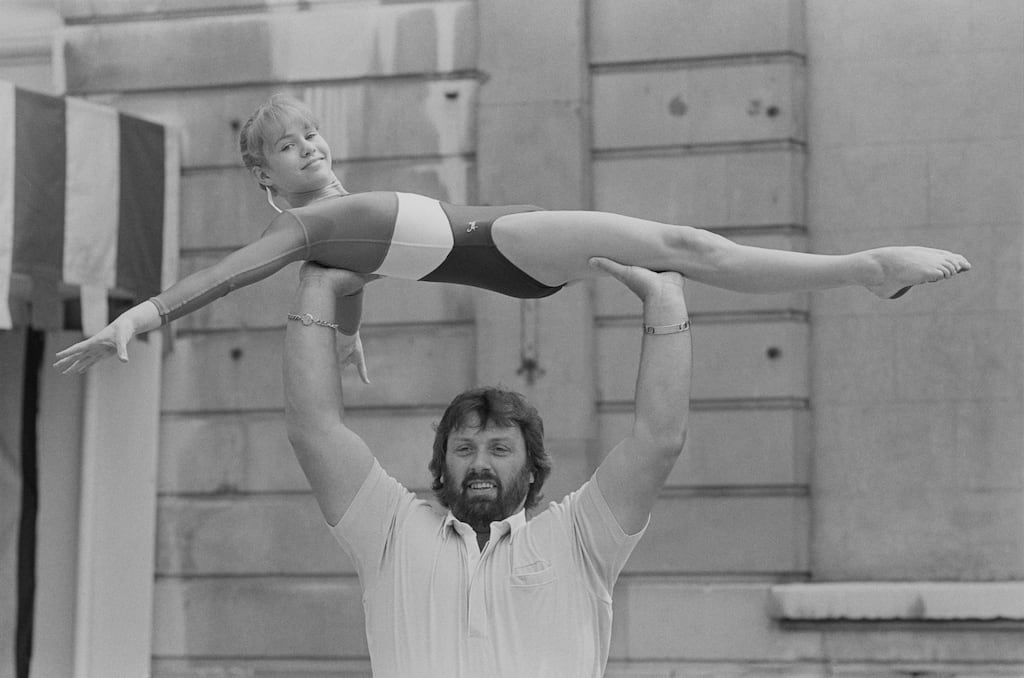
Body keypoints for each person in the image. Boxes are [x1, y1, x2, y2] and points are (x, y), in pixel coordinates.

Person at [53, 93, 970, 374]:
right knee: (688, 244)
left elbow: (356, 272)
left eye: (310, 132)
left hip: (512, 261)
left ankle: (862, 272)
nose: (311, 146)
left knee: (681, 261)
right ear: (267, 178)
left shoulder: (332, 230)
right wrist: (142, 318)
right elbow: (229, 274)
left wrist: (350, 336)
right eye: (289, 148)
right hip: (506, 244)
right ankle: (867, 266)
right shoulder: (309, 226)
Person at [284, 256, 689, 677]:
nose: (479, 464)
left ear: (532, 469)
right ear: (441, 466)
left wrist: (664, 300)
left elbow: (658, 441)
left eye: (499, 449)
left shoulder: (578, 538)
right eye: (463, 449)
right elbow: (315, 431)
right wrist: (317, 287)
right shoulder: (392, 533)